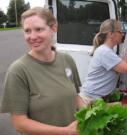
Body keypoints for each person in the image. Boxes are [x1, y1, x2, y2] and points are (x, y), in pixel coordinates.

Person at [0, 7, 81, 135]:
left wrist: (90, 116)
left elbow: (76, 97)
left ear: (53, 28)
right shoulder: (18, 71)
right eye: (27, 31)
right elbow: (19, 123)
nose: (32, 37)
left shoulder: (67, 60)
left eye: (38, 29)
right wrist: (65, 131)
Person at [78, 19, 127, 107]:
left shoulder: (107, 50)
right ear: (111, 34)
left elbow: (121, 67)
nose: (122, 34)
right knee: (123, 107)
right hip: (89, 100)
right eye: (120, 31)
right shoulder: (105, 52)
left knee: (122, 106)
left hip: (94, 99)